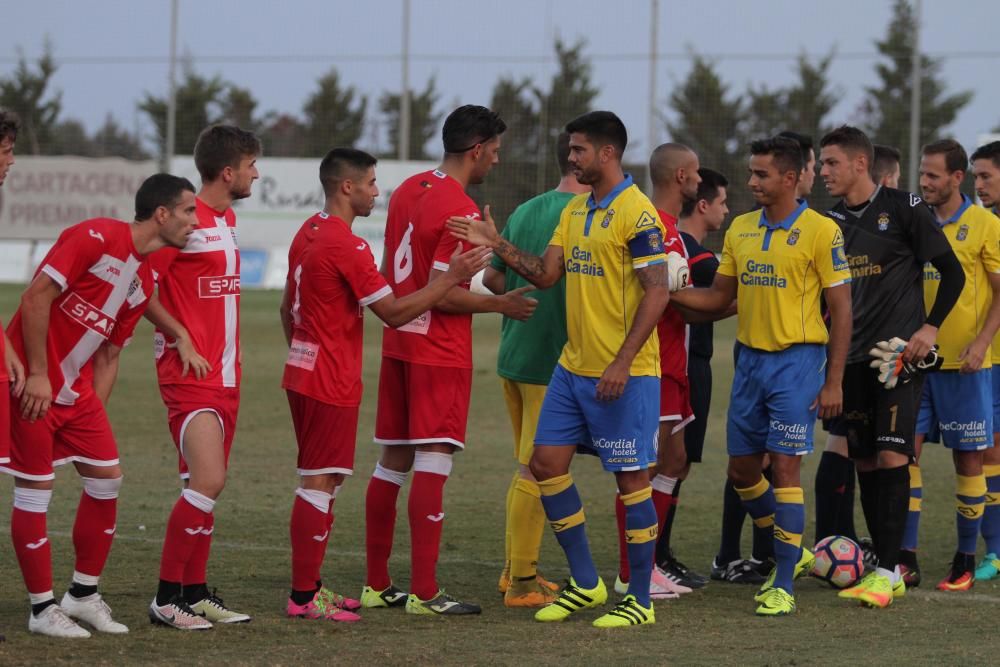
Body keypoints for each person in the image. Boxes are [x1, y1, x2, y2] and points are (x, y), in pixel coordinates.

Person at [450, 110, 671, 628]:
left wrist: (621, 361)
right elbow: (546, 275)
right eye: (570, 150)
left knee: (631, 480)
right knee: (546, 465)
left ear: (607, 153)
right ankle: (588, 583)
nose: (571, 157)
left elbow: (658, 291)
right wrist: (496, 241)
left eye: (579, 150)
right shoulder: (576, 213)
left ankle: (638, 600)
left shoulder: (638, 214)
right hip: (572, 369)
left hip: (626, 373)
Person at [280, 148, 491, 622]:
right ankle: (303, 597)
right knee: (319, 480)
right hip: (331, 375)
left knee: (332, 476)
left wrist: (304, 351)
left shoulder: (308, 231)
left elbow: (284, 308)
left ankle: (318, 588)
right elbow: (393, 313)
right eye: (372, 183)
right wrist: (455, 277)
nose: (379, 192)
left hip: (304, 369)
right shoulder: (345, 244)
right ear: (347, 187)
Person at [2, 174, 197, 637]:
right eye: (189, 212)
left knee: (107, 478)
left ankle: (83, 596)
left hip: (76, 395)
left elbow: (109, 352)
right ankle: (41, 609)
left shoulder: (144, 276)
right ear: (162, 214)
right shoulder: (95, 236)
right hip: (28, 384)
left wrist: (92, 417)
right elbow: (34, 299)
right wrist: (36, 374)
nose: (195, 222)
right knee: (35, 490)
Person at [362, 105, 537, 616]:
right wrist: (499, 304)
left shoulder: (408, 190)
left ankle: (377, 584)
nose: (497, 163)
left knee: (392, 462)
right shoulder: (458, 207)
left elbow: (397, 273)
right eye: (496, 152)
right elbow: (444, 294)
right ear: (478, 148)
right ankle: (424, 591)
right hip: (437, 350)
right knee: (433, 462)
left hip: (399, 344)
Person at [673, 136, 853, 616]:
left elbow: (841, 309)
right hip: (748, 363)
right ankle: (794, 550)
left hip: (797, 364)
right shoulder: (741, 230)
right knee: (742, 471)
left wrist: (833, 381)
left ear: (790, 178)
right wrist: (664, 292)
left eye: (761, 174)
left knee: (786, 467)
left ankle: (783, 579)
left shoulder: (821, 231)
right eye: (751, 173)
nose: (752, 182)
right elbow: (716, 300)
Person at [818, 125, 962, 608]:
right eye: (821, 163)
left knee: (892, 456)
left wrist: (930, 329)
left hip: (897, 358)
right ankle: (883, 567)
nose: (823, 172)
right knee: (862, 461)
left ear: (861, 164)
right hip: (852, 359)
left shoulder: (906, 208)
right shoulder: (829, 221)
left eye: (831, 163)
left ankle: (888, 568)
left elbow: (954, 273)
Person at [145, 125, 261, 629]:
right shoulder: (185, 225)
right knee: (210, 479)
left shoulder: (227, 218)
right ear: (228, 171)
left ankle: (194, 592)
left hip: (226, 376)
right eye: (252, 164)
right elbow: (141, 288)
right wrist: (181, 337)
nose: (257, 173)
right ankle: (166, 597)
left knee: (202, 485)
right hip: (189, 375)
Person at [483, 131, 588, 608]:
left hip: (515, 355)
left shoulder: (526, 210)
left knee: (531, 463)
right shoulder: (587, 214)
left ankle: (513, 569)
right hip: (553, 360)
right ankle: (523, 581)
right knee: (537, 468)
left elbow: (491, 277)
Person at [908, 139, 1000, 591]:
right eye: (922, 174)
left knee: (970, 459)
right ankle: (904, 556)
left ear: (956, 178)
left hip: (965, 365)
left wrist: (983, 342)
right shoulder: (915, 220)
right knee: (902, 454)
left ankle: (965, 558)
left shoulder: (984, 225)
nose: (924, 182)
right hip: (913, 362)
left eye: (933, 175)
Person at [613, 142, 703, 600]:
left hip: (674, 364)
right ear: (682, 177)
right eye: (698, 173)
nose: (702, 181)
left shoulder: (672, 230)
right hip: (655, 364)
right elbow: (666, 298)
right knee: (640, 470)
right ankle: (632, 573)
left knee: (675, 461)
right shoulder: (653, 226)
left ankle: (648, 564)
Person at [970, 140, 1000, 581]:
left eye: (986, 176)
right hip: (991, 360)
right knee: (990, 449)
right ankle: (995, 550)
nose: (978, 185)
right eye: (974, 177)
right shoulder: (985, 226)